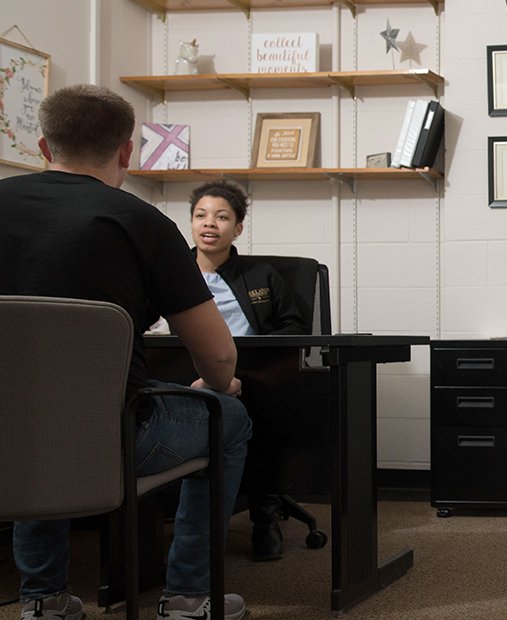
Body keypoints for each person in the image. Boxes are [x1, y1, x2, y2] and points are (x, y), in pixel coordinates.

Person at [0, 84, 252, 620]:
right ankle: (187, 594)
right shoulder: (143, 223)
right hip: (112, 442)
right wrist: (218, 383)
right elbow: (220, 359)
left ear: (44, 149)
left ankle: (43, 599)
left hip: (7, 437)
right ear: (125, 152)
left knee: (29, 418)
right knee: (227, 415)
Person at [188, 180, 305, 562]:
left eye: (222, 217)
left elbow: (295, 328)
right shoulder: (173, 273)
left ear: (237, 228)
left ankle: (264, 517)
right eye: (201, 215)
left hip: (250, 376)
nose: (210, 224)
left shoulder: (262, 276)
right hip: (183, 373)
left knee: (265, 417)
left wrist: (242, 373)